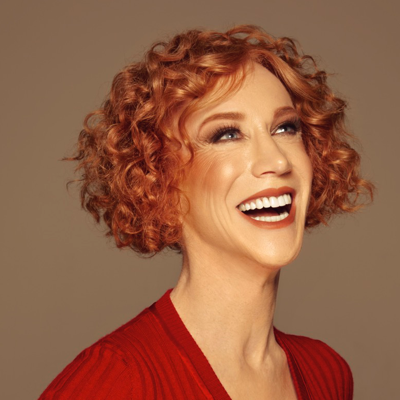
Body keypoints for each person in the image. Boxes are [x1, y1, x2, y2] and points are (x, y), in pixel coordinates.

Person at [39, 25, 373, 399]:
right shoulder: (119, 380)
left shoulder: (326, 373)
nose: (277, 161)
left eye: (285, 127)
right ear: (158, 177)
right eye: (226, 134)